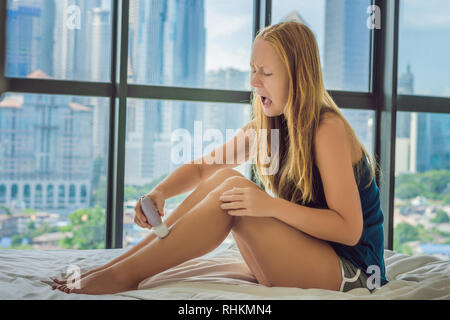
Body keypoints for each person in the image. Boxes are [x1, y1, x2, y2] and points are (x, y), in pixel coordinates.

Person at [52, 21, 387, 294]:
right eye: (253, 70)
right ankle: (117, 268)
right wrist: (160, 193)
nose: (254, 82)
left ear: (297, 77)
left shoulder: (327, 129)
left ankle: (122, 276)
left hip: (353, 273)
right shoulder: (268, 128)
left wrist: (269, 206)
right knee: (225, 178)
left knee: (234, 196)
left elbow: (349, 230)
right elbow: (202, 168)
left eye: (265, 73)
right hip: (307, 257)